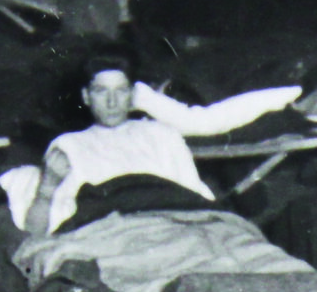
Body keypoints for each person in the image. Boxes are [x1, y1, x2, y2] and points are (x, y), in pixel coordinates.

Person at [20, 54, 211, 238]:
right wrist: (48, 186)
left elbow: (198, 199)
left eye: (121, 90)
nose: (112, 102)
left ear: (132, 95)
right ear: (86, 96)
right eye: (101, 91)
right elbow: (36, 233)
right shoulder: (68, 145)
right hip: (112, 238)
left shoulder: (164, 134)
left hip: (173, 232)